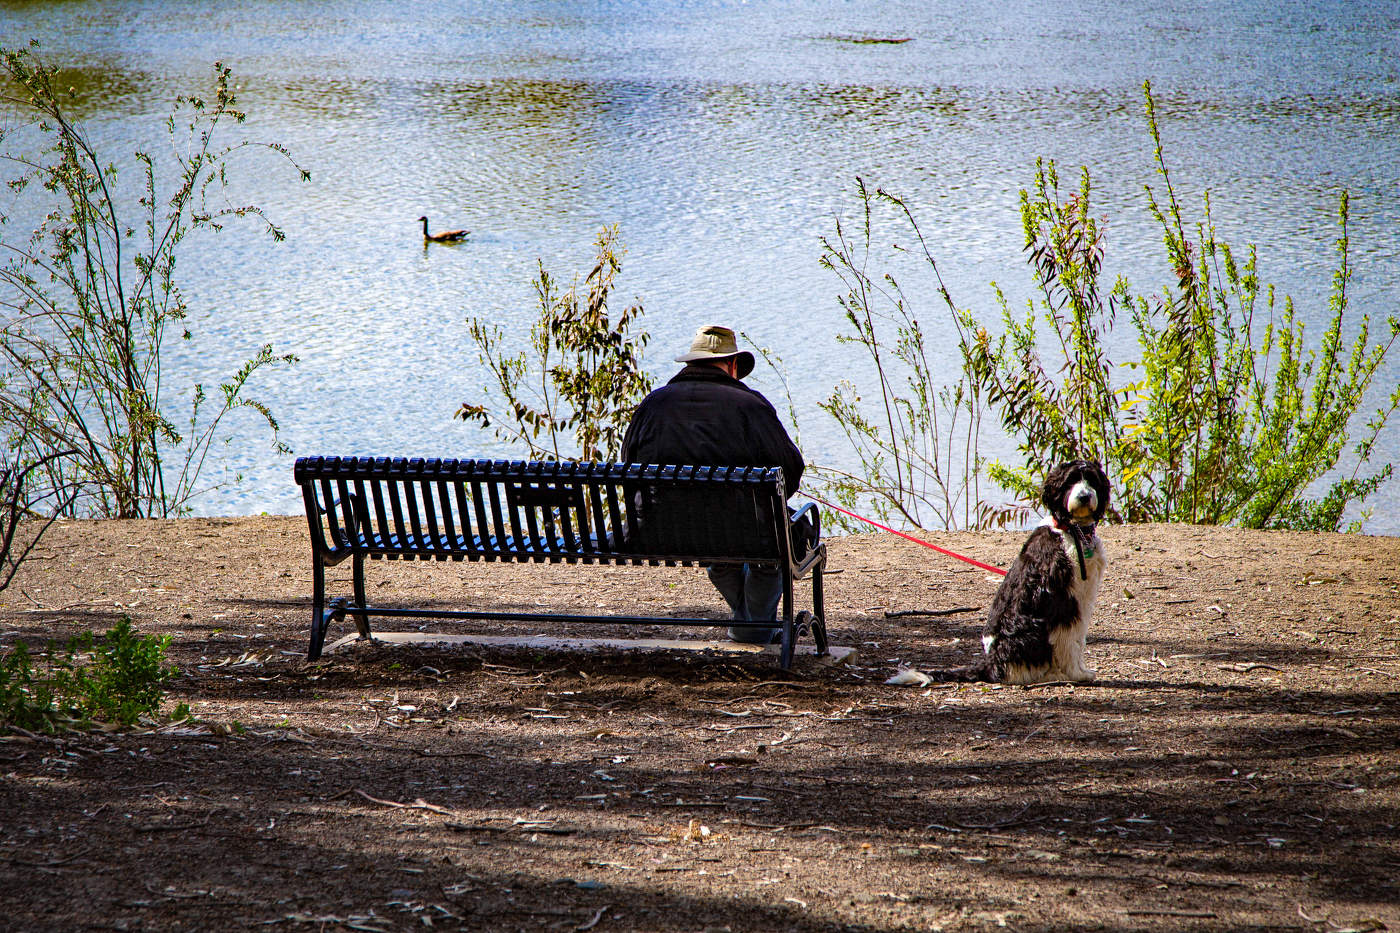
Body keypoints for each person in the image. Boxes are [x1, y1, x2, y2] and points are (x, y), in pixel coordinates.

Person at [621, 324, 805, 644]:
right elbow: (789, 469)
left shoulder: (653, 405)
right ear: (732, 365)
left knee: (720, 541)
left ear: (691, 364)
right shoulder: (751, 407)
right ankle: (755, 626)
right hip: (742, 530)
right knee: (772, 540)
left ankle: (748, 621)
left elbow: (629, 469)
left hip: (658, 529)